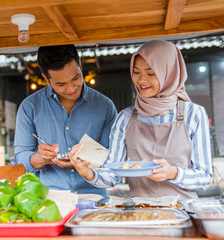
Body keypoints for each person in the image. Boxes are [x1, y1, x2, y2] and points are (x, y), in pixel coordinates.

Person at [70, 40, 213, 199]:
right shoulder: (125, 117)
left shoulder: (193, 114)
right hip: (139, 212)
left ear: (169, 73)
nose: (141, 80)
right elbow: (113, 175)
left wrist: (174, 173)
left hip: (183, 213)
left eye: (151, 73)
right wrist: (87, 172)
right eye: (136, 72)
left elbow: (205, 177)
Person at [14, 44, 117, 199]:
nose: (71, 88)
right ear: (45, 78)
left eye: (76, 78)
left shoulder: (104, 106)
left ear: (80, 65)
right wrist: (40, 158)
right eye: (60, 84)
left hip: (94, 198)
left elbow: (112, 160)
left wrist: (85, 160)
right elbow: (20, 159)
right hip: (49, 200)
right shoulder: (30, 107)